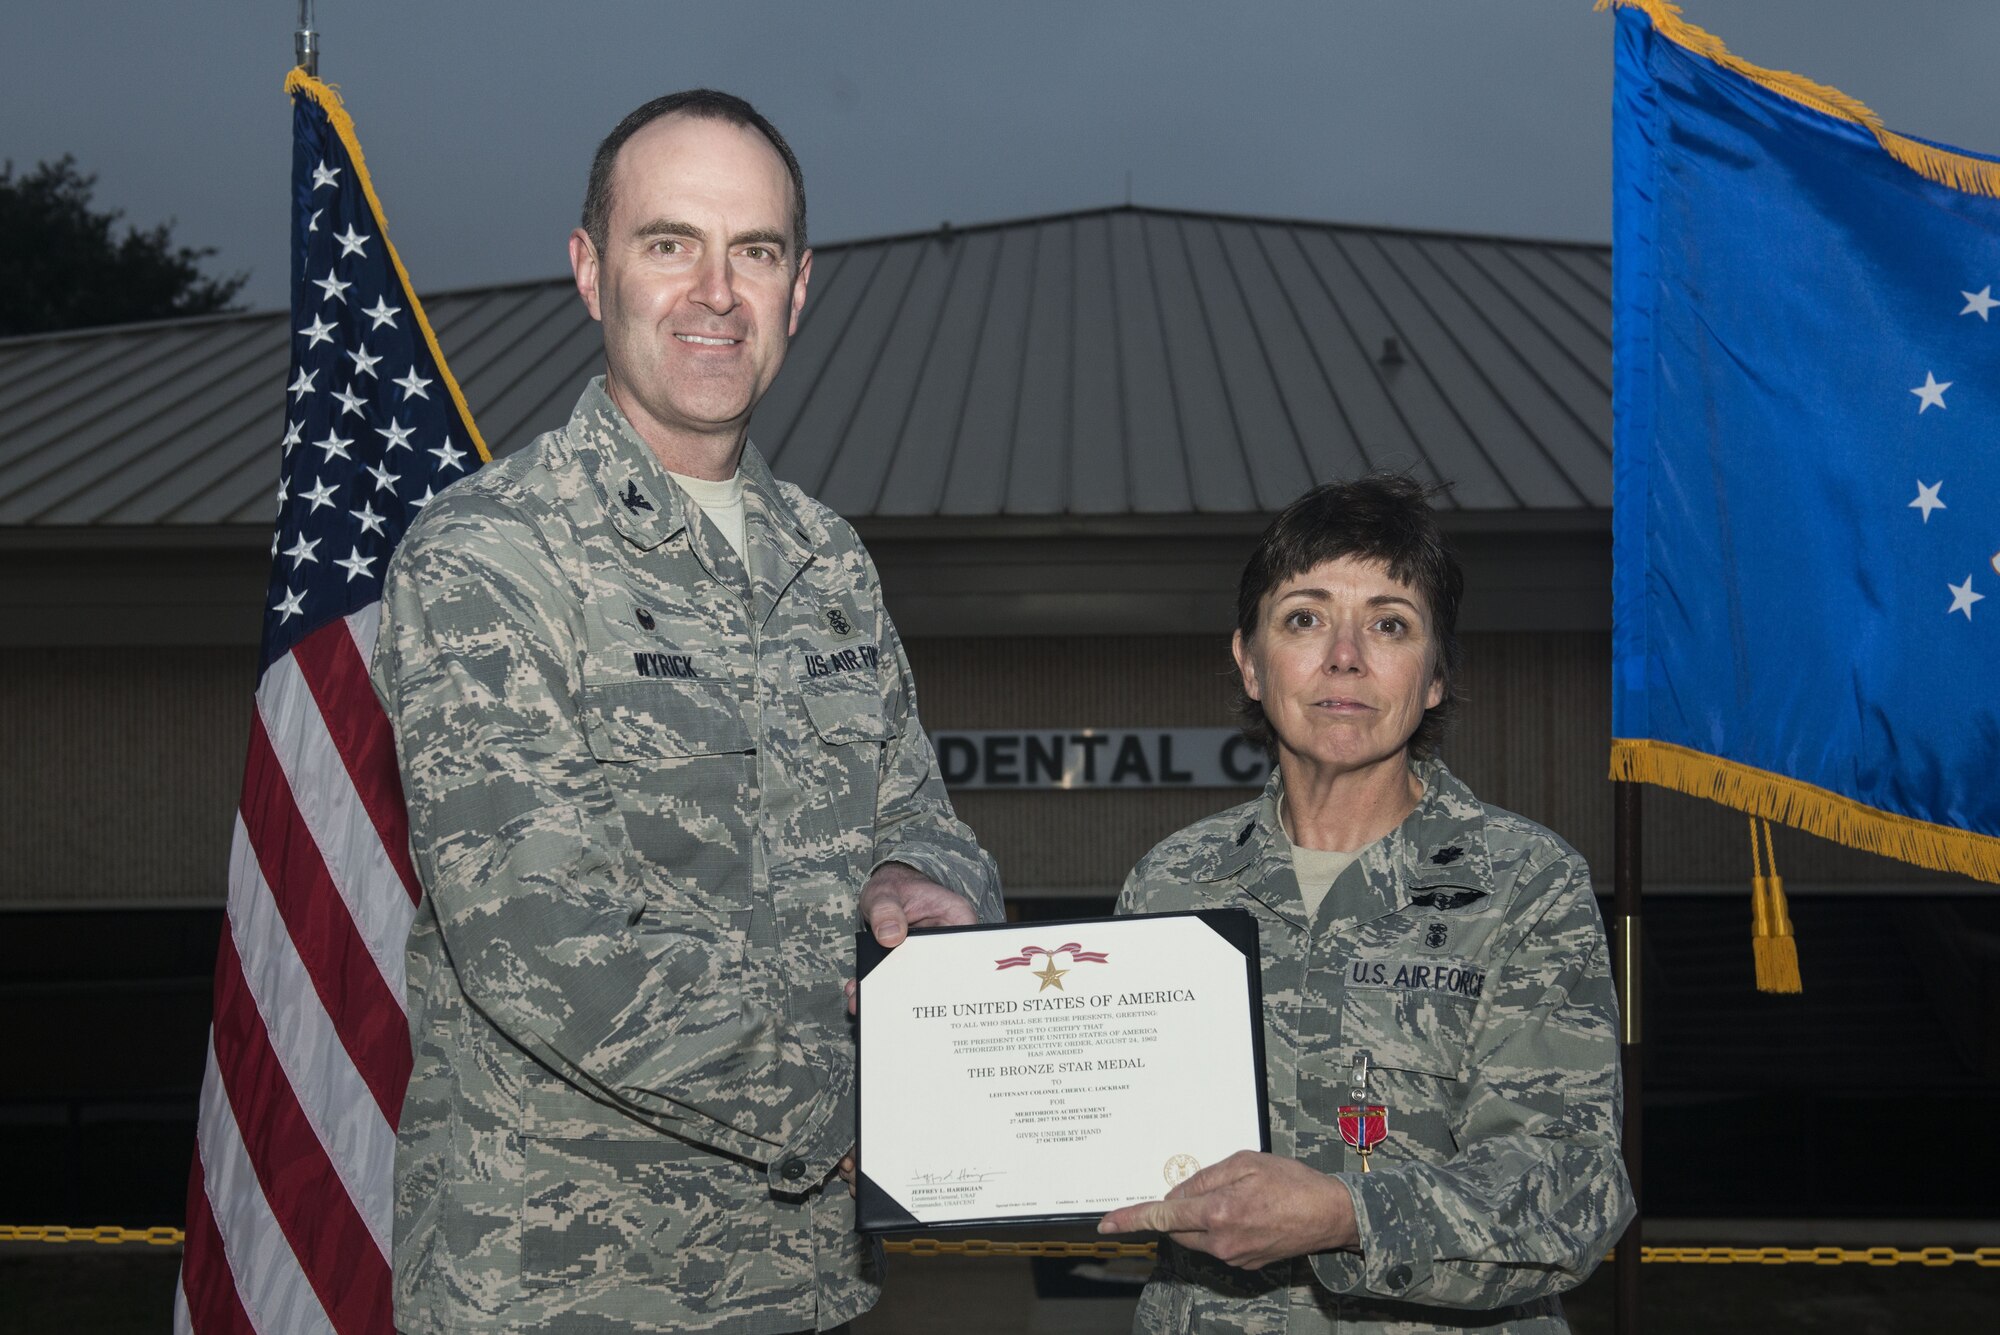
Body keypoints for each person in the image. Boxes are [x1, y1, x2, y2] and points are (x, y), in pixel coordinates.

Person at [371, 89, 1001, 1334]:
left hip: (806, 1281)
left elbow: (919, 810)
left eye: (754, 252)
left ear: (798, 287)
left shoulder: (823, 557)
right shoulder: (489, 557)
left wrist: (919, 879)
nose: (716, 291)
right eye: (670, 244)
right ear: (590, 271)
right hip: (567, 1286)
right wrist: (880, 1106)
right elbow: (542, 941)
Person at [1099, 475, 1632, 1333]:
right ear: (1248, 660)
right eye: (1304, 618)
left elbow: (1573, 1189)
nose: (1344, 655)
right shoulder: (1173, 883)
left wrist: (1348, 1214)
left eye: (1390, 623)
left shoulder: (1527, 884)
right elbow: (1105, 1125)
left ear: (1433, 678)